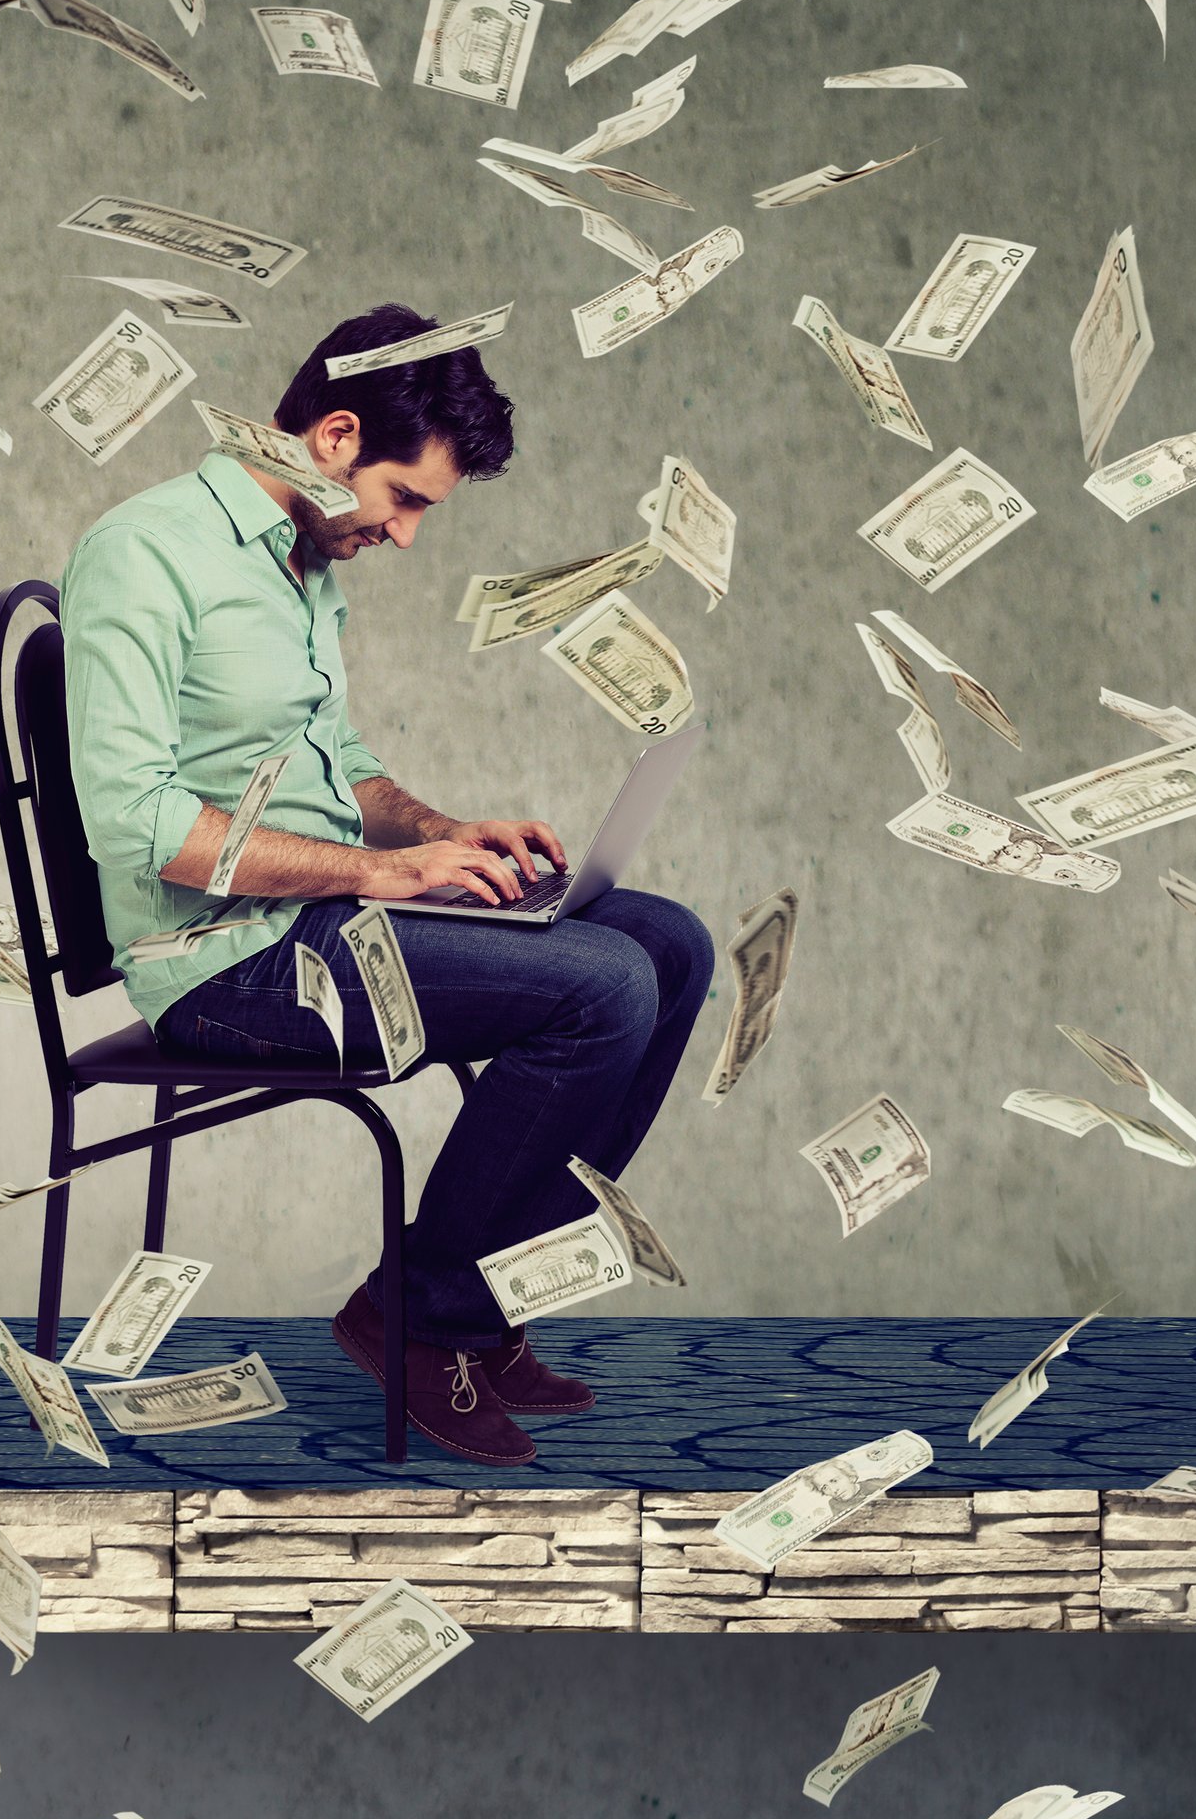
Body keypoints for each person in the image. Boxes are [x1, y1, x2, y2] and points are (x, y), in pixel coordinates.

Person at [57, 303, 713, 1465]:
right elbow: (135, 822)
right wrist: (385, 871)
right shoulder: (143, 552)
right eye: (405, 500)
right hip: (225, 967)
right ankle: (420, 1320)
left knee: (670, 945)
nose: (406, 536)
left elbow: (345, 772)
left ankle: (482, 1306)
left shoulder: (305, 565)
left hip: (326, 924)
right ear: (335, 436)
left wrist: (449, 836)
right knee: (604, 987)